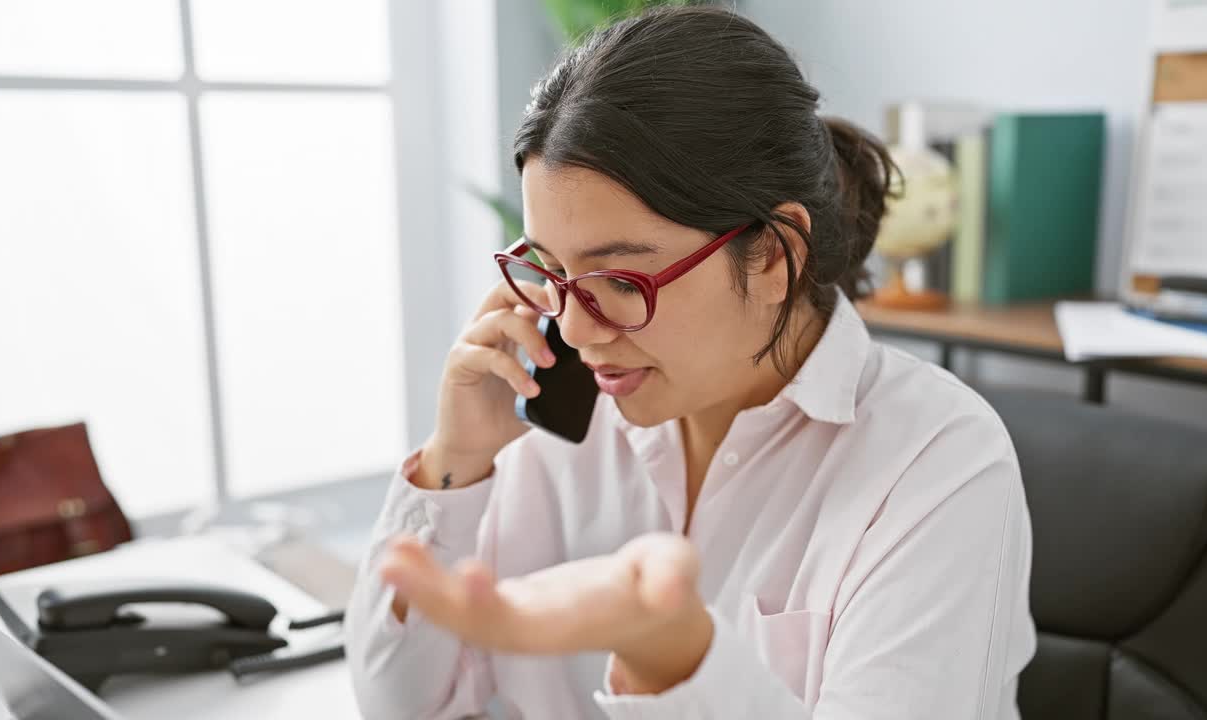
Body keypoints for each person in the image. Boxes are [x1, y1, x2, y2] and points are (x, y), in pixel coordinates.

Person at [344, 6, 1035, 719]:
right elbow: (400, 708)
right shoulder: (555, 415)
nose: (577, 329)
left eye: (620, 280)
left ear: (774, 254)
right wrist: (455, 462)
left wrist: (677, 663)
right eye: (550, 270)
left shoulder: (939, 462)